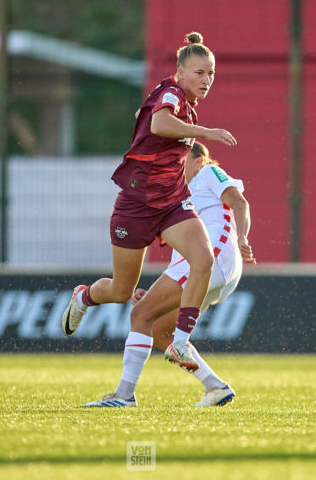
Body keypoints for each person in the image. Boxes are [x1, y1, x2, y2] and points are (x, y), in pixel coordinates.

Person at [61, 32, 237, 371]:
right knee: (121, 291)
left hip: (171, 204)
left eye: (211, 74)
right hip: (136, 206)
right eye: (199, 73)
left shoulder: (187, 105)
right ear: (181, 72)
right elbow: (159, 123)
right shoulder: (170, 93)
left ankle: (182, 341)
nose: (206, 80)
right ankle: (83, 296)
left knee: (203, 260)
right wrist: (208, 133)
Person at [82, 142, 254, 407]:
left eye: (181, 159)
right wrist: (153, 294)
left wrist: (242, 237)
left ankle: (124, 395)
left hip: (215, 258)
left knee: (140, 315)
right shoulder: (176, 198)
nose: (174, 164)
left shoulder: (207, 173)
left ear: (198, 160)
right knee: (160, 329)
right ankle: (215, 387)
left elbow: (239, 202)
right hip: (212, 269)